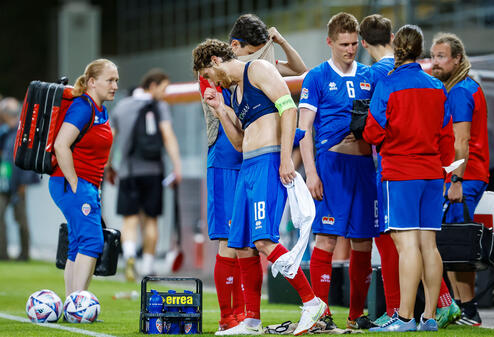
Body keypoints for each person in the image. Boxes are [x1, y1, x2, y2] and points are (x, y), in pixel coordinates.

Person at [194, 39, 326, 335]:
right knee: (240, 245)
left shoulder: (258, 69)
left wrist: (285, 160)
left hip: (268, 163)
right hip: (248, 166)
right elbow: (240, 141)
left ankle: (311, 302)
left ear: (215, 61)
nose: (210, 83)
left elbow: (288, 109)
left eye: (208, 75)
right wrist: (220, 111)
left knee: (264, 240)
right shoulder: (236, 93)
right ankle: (251, 321)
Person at [359, 14, 461, 328]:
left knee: (406, 246)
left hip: (400, 173)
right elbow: (448, 138)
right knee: (429, 245)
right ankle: (430, 317)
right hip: (432, 172)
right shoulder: (436, 86)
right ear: (419, 52)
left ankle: (404, 317)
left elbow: (372, 133)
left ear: (397, 47)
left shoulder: (387, 84)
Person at [298, 12, 377, 330]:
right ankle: (321, 312)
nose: (350, 49)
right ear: (329, 42)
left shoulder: (370, 74)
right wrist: (311, 173)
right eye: (344, 44)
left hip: (364, 168)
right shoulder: (316, 77)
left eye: (354, 43)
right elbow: (304, 129)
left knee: (363, 242)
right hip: (331, 170)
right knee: (327, 239)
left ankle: (357, 315)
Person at [431, 32, 490, 326]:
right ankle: (460, 307)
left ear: (457, 59)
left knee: (457, 244)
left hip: (465, 177)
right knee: (453, 243)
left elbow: (462, 141)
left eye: (441, 57)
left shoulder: (460, 92)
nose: (435, 62)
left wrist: (455, 179)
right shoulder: (466, 87)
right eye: (433, 56)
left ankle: (469, 309)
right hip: (467, 175)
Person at [48, 58, 118, 296]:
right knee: (92, 242)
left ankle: (72, 301)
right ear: (91, 82)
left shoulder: (100, 109)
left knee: (78, 243)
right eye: (109, 80)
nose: (115, 85)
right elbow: (61, 145)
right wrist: (76, 183)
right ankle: (79, 302)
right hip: (73, 184)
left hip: (84, 185)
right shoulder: (83, 107)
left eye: (116, 80)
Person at [107, 69, 182, 281]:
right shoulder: (159, 107)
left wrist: (109, 166)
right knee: (151, 221)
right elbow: (168, 137)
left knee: (129, 219)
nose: (165, 94)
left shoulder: (122, 106)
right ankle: (148, 266)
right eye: (163, 88)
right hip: (154, 172)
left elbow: (110, 140)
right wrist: (177, 167)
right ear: (152, 85)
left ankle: (130, 257)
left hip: (128, 171)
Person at [0, 98, 39, 261]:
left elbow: (28, 159)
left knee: (21, 220)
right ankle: (2, 254)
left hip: (18, 184)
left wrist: (24, 183)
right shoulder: (4, 132)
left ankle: (25, 253)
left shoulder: (22, 131)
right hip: (4, 183)